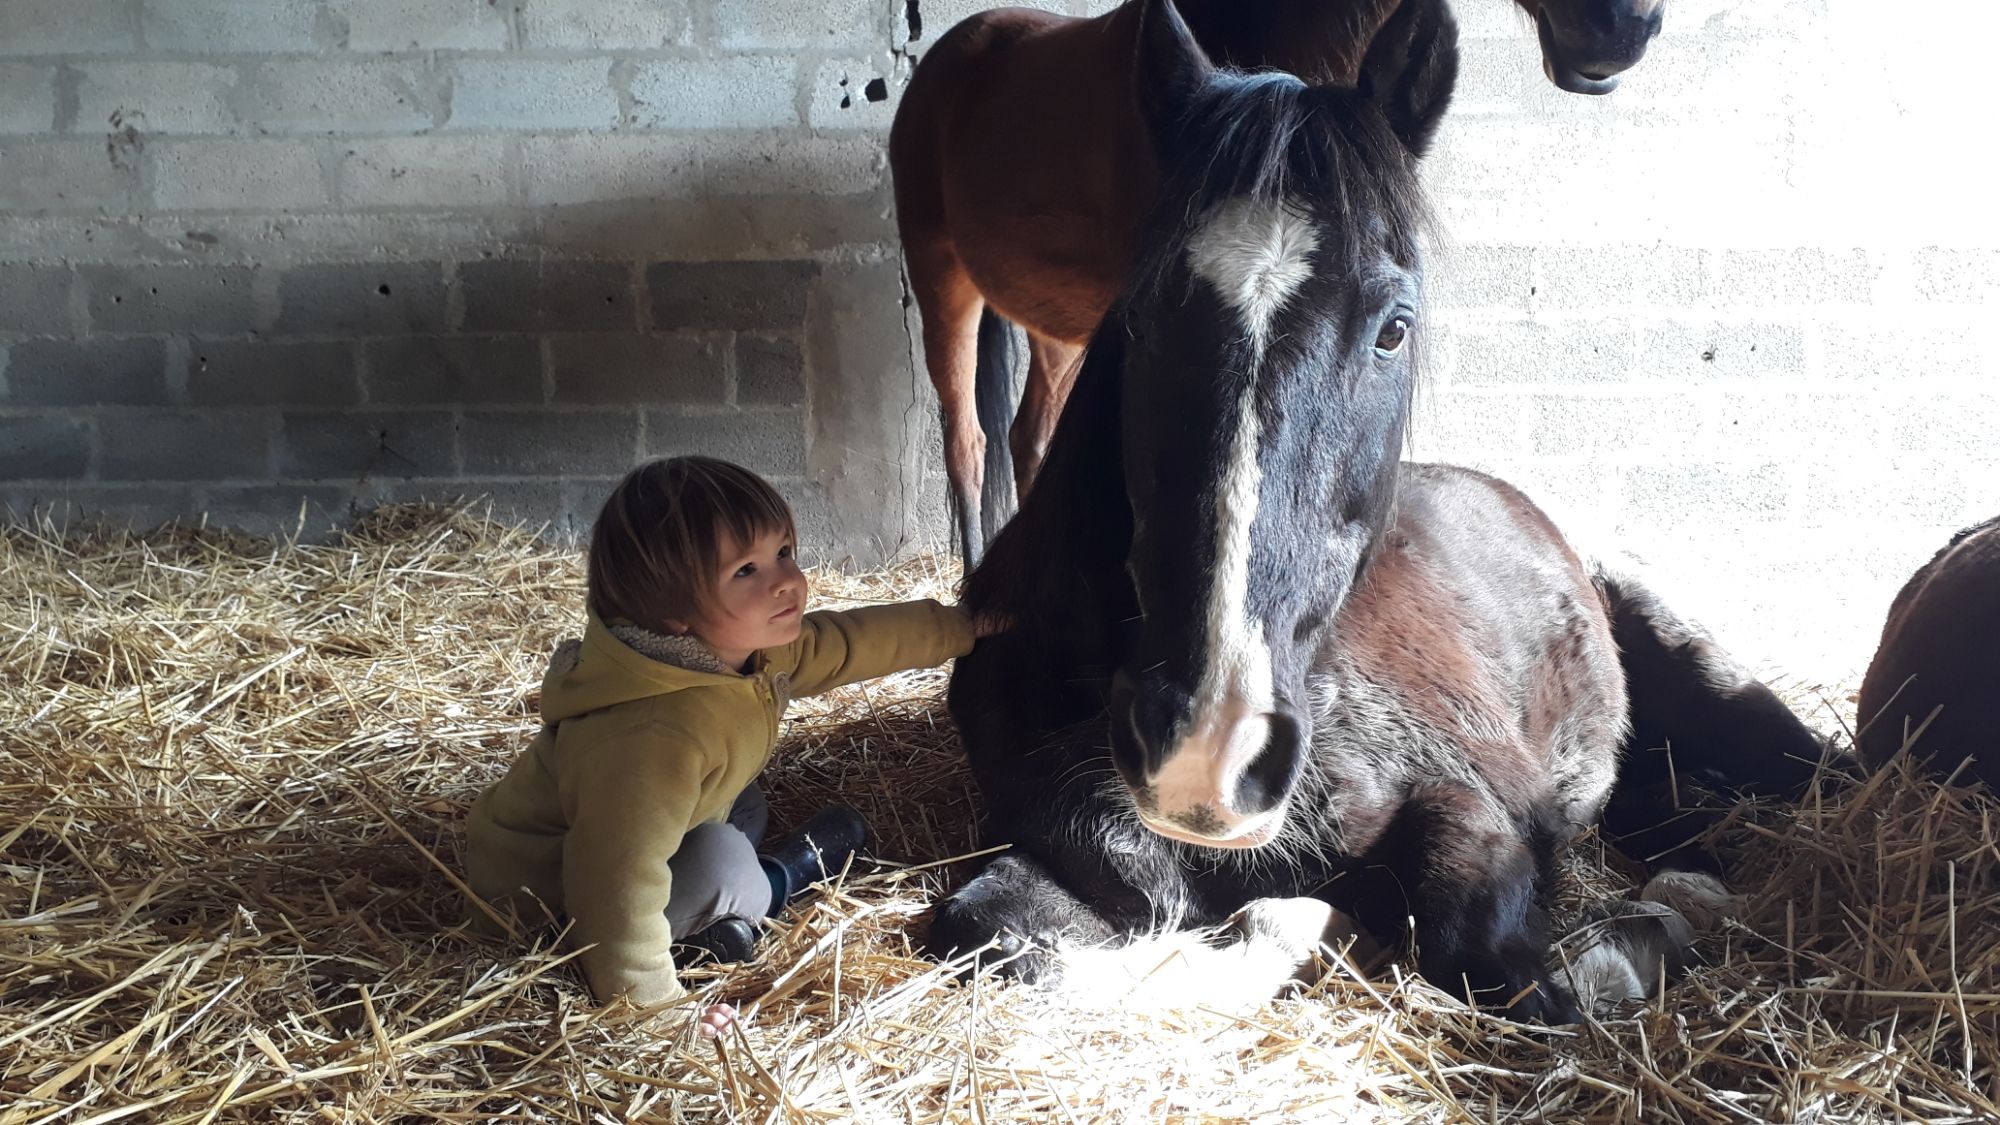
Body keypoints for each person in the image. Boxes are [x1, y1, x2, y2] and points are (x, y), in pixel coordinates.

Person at [465, 456, 982, 1036]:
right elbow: (613, 887)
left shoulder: (736, 649)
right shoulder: (650, 738)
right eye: (746, 570)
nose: (784, 580)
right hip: (554, 907)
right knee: (721, 860)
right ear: (673, 612)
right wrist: (659, 1013)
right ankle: (780, 880)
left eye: (783, 552)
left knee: (744, 803)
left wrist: (965, 626)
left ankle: (726, 907)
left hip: (619, 843)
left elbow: (843, 644)